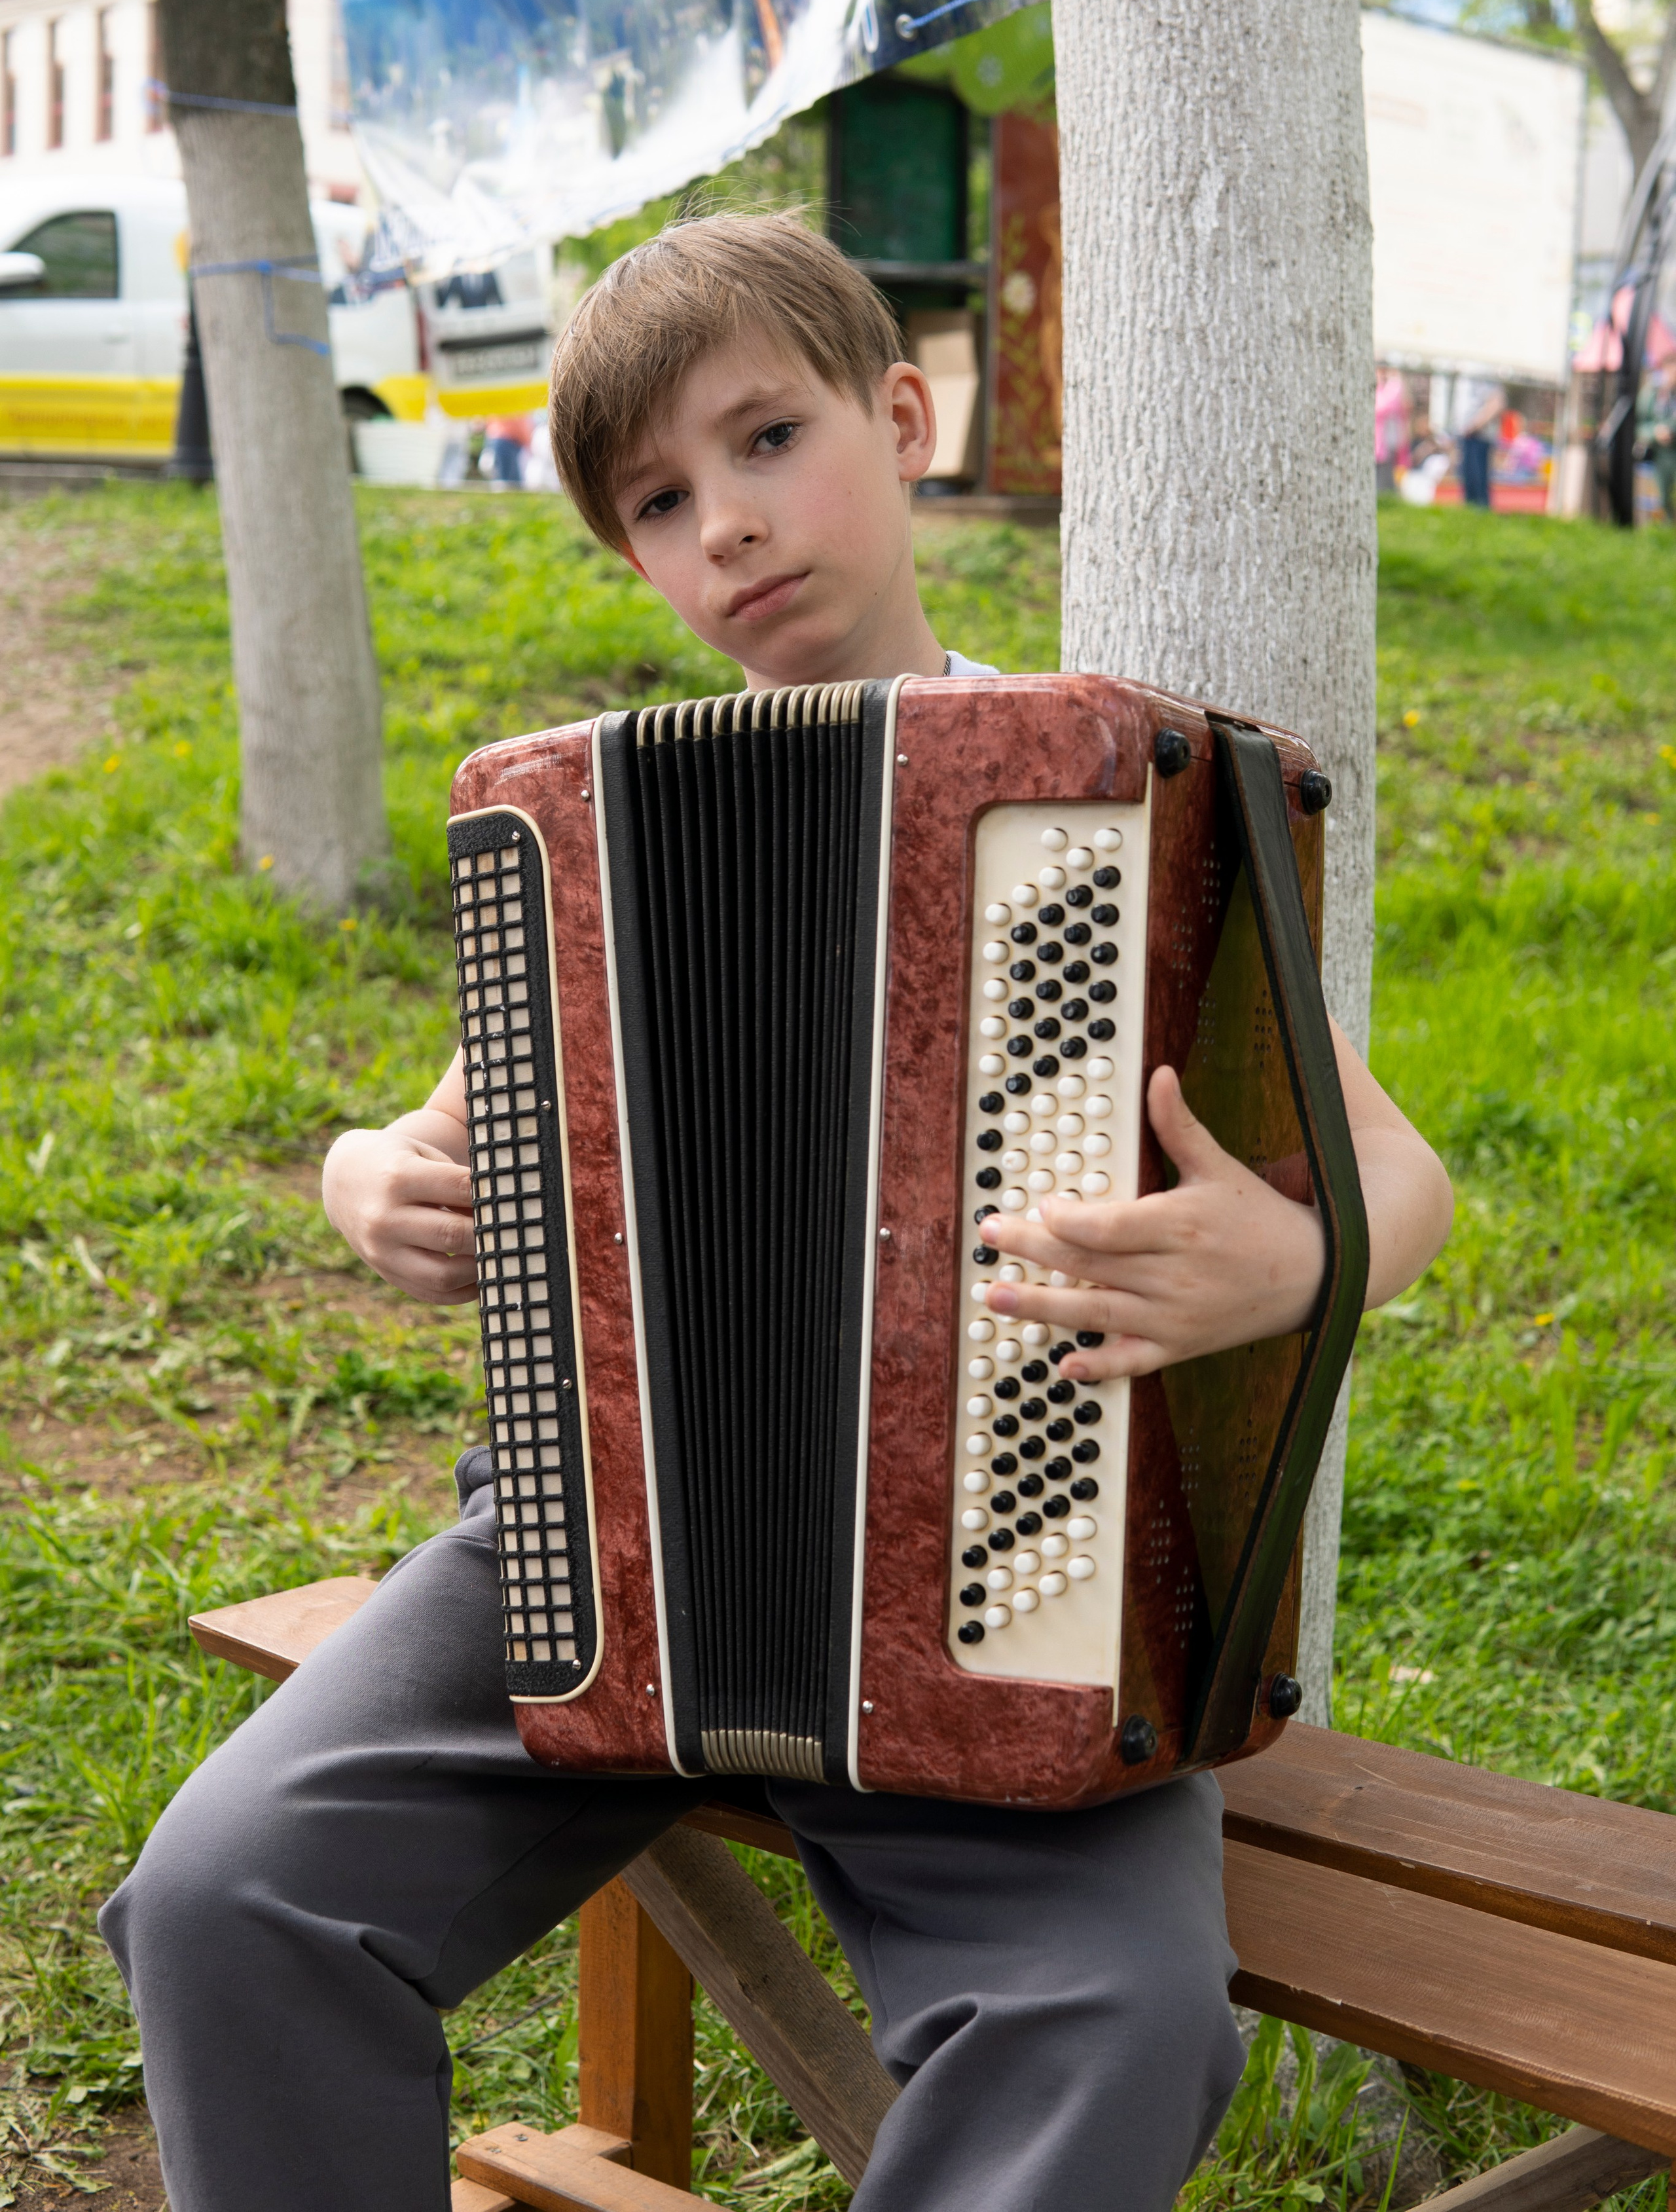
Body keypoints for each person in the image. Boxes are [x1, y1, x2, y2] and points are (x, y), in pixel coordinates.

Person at [99, 215, 1455, 2212]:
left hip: (1016, 1570)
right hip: (596, 1555)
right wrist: (358, 1175)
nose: (725, 523)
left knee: (1120, 2018)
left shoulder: (1102, 784)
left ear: (898, 419)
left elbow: (1394, 1168)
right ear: (632, 556)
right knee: (227, 1893)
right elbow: (427, 1130)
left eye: (765, 438)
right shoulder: (579, 830)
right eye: (658, 497)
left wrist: (1303, 1253)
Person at [1448, 373, 1504, 509]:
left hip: (1478, 434)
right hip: (1467, 433)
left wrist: (1475, 425)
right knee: (1469, 483)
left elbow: (1496, 401)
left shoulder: (1483, 369)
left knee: (1477, 485)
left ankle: (1480, 515)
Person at [1636, 354, 1676, 522]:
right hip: (1660, 455)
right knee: (1662, 497)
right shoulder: (1652, 393)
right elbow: (1638, 426)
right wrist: (1655, 432)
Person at [1373, 367, 1410, 496]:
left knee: (1386, 470)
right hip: (1378, 441)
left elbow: (1384, 407)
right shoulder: (1381, 391)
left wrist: (1395, 380)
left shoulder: (1390, 390)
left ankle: (1386, 494)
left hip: (1386, 441)